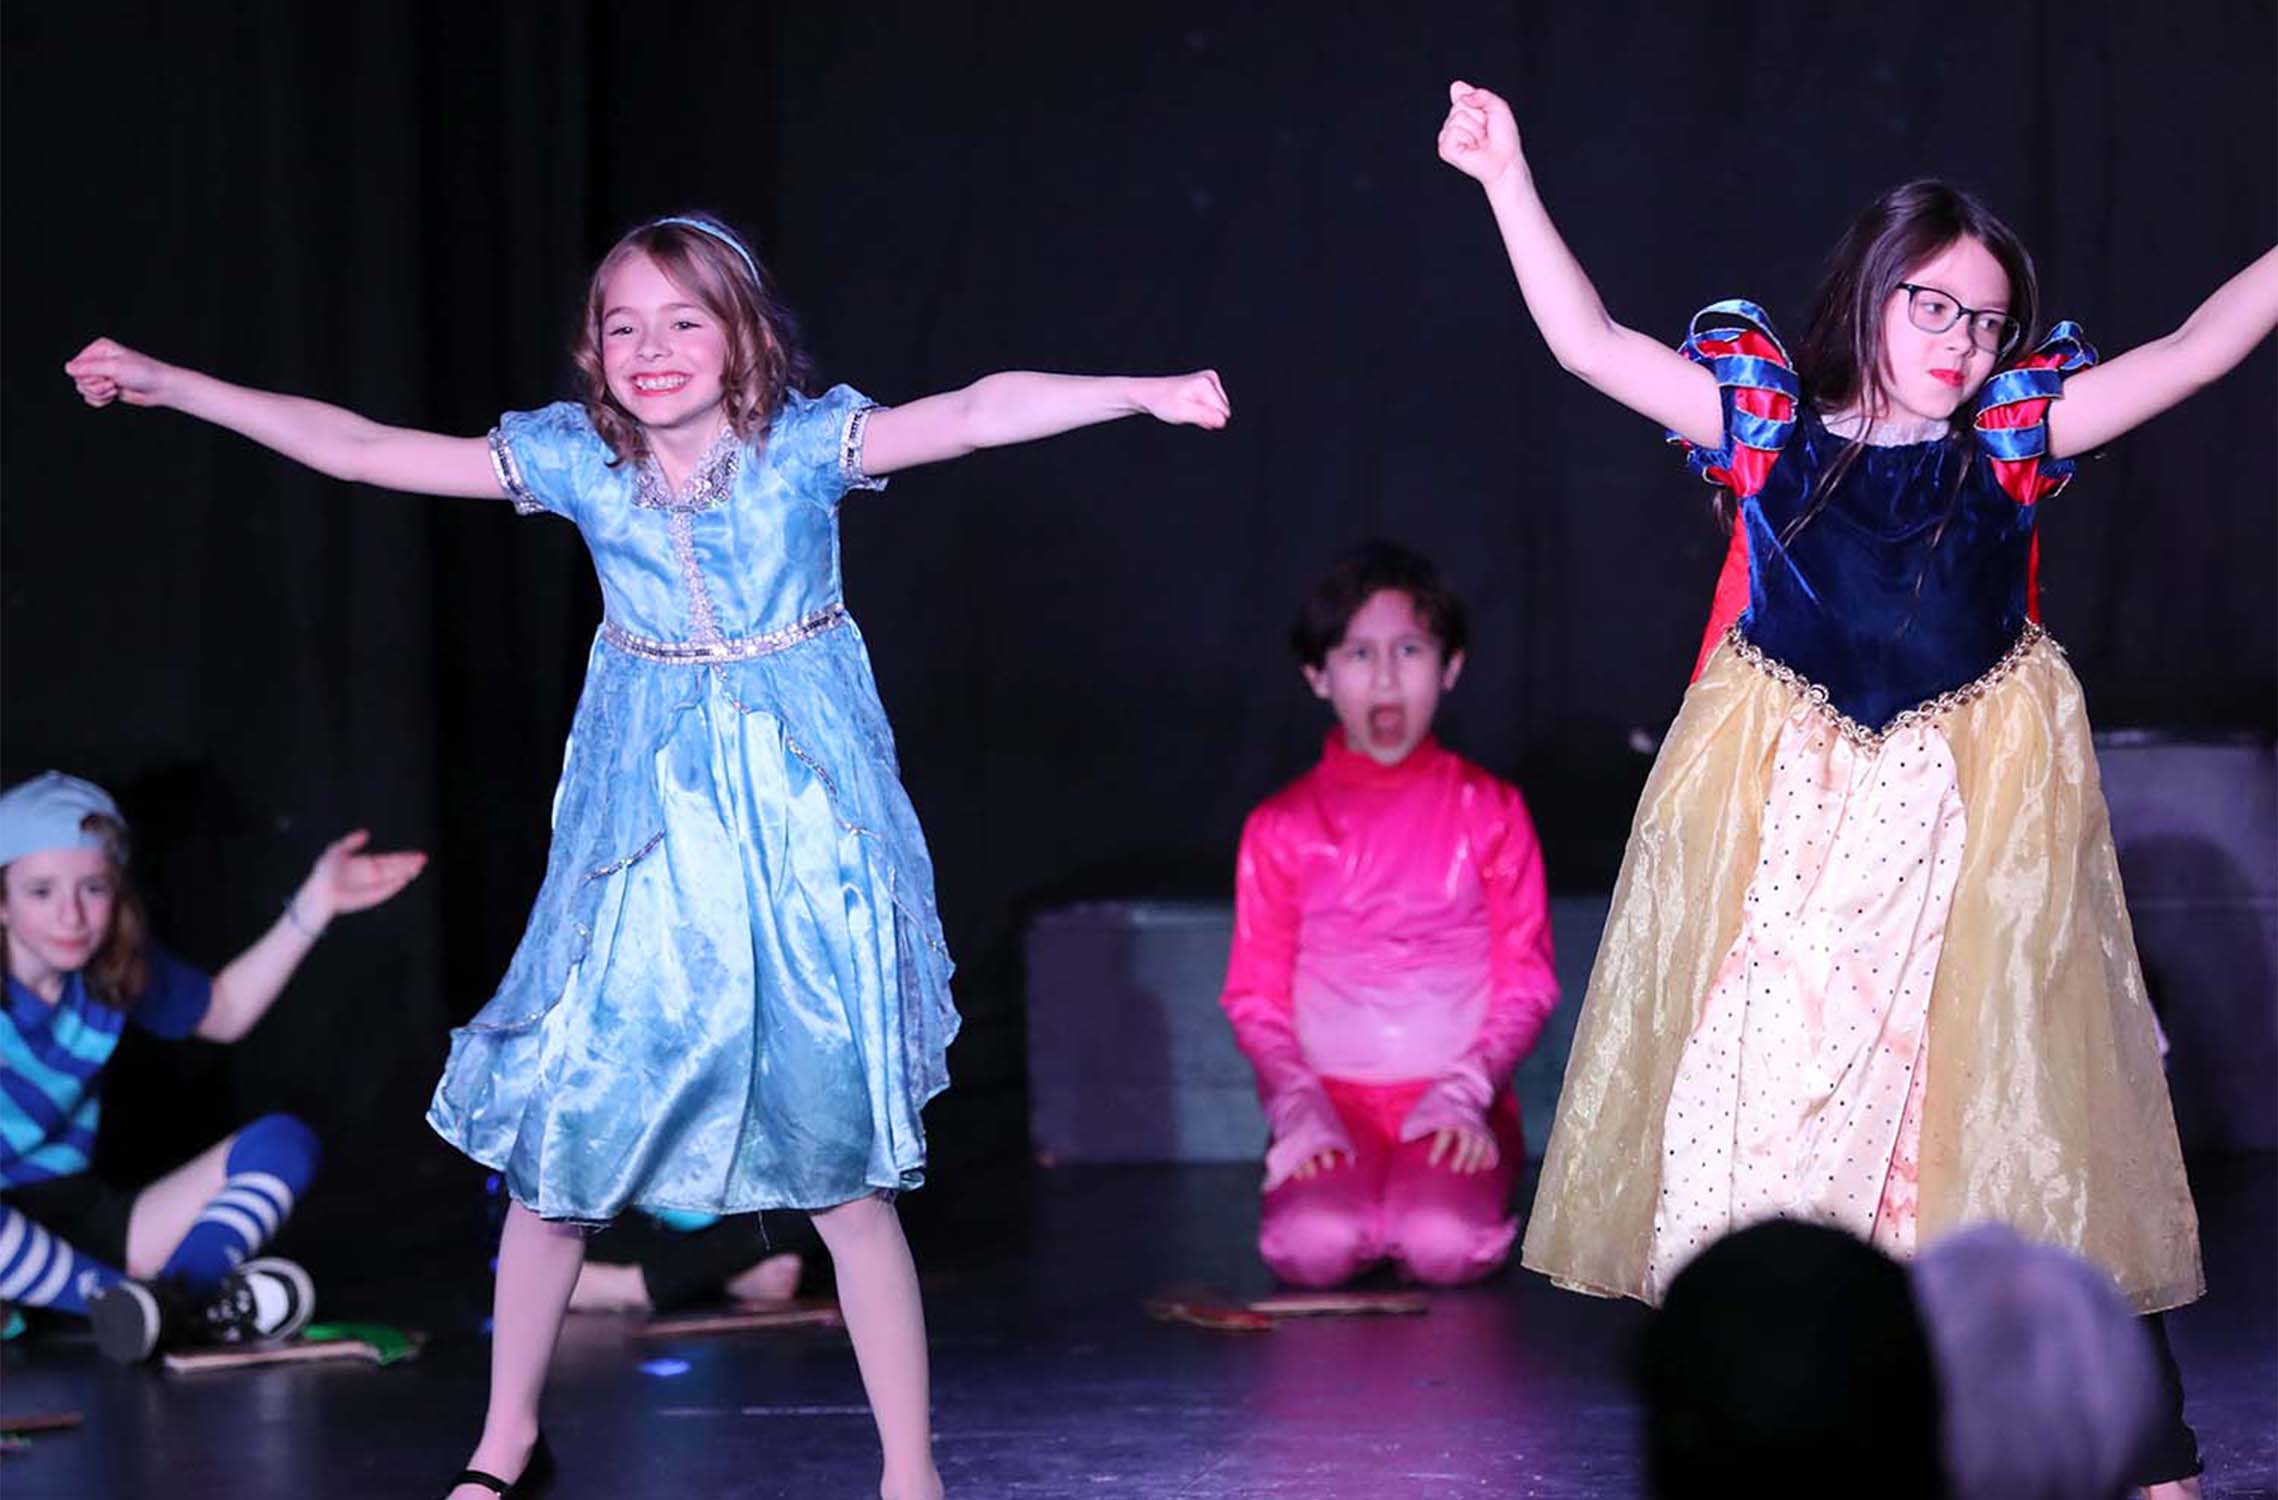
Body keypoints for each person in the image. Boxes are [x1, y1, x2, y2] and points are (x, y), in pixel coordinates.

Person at [67, 211, 1228, 1500]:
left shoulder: (800, 449)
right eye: (624, 325)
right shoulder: (579, 461)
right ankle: (506, 1441)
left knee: (845, 1180)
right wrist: (177, 385)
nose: (652, 347)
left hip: (800, 844)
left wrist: (1137, 392)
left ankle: (911, 1472)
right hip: (647, 843)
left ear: (744, 339)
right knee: (557, 1152)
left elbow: (968, 413)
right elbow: (364, 448)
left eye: (684, 320)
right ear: (593, 349)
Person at [1436, 78, 2275, 1498]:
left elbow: (2194, 352)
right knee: (1776, 1137)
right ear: (1872, 295)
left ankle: (2148, 1453)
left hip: (1963, 850)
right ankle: (1809, 1421)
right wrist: (1505, 177)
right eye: (1932, 307)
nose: (1960, 342)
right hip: (1805, 856)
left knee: (2019, 1130)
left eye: (1985, 321)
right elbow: (1588, 344)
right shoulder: (1766, 427)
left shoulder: (2009, 444)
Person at [1219, 542, 1557, 1288]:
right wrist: (1299, 1108)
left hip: (1451, 1102)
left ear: (1450, 667)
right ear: (1318, 674)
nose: (1384, 677)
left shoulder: (1490, 811)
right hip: (1330, 1106)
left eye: (1408, 650)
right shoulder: (1281, 827)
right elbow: (1256, 998)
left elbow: (1526, 982)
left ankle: (1433, 1193)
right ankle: (1359, 1199)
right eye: (1357, 653)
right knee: (1312, 1246)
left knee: (1444, 1243)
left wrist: (1466, 1093)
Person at [0, 771, 424, 1362]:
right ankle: (123, 1302)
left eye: (93, 889)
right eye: (41, 892)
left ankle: (171, 1301)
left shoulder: (111, 971)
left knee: (282, 1141)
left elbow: (224, 1013)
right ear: (2, 902)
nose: (71, 916)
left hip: (79, 1217)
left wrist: (316, 903)